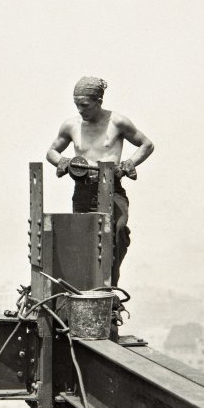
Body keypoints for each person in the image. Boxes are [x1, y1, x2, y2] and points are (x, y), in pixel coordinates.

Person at [46, 76, 154, 285]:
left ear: (99, 101)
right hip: (83, 190)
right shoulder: (71, 125)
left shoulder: (117, 122)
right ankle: (85, 287)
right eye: (77, 105)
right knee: (83, 237)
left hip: (113, 188)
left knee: (118, 233)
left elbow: (146, 144)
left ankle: (109, 286)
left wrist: (128, 165)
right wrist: (65, 162)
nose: (80, 110)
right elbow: (51, 152)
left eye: (85, 105)